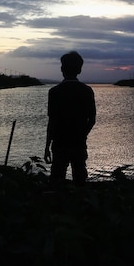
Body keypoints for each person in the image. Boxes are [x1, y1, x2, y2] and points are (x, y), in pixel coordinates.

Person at [44, 51, 96, 185]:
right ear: (79, 69)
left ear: (62, 69)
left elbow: (52, 121)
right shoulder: (87, 91)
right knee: (80, 178)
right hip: (79, 143)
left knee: (57, 177)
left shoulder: (55, 92)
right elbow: (92, 120)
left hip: (60, 143)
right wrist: (82, 135)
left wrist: (47, 146)